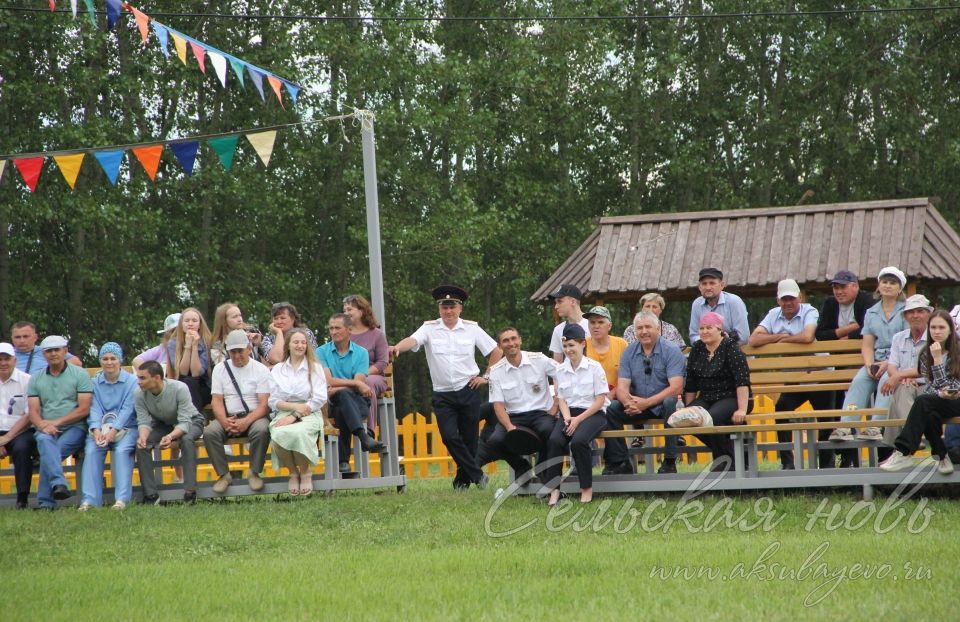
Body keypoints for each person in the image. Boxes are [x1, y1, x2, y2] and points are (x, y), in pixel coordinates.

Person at [391, 285, 500, 489]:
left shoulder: (471, 328)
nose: (448, 311)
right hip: (443, 394)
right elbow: (412, 340)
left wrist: (486, 376)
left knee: (469, 441)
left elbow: (496, 351)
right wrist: (397, 347)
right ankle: (477, 475)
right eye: (444, 307)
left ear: (460, 308)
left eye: (452, 307)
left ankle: (461, 482)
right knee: (449, 436)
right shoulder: (430, 328)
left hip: (469, 390)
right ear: (439, 309)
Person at [748, 279, 824, 470]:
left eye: (791, 298)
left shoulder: (810, 310)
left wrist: (782, 338)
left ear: (799, 297)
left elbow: (808, 336)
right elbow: (754, 339)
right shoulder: (773, 314)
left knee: (827, 419)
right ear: (778, 300)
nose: (788, 302)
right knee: (781, 409)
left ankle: (827, 465)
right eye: (784, 299)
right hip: (794, 379)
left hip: (820, 375)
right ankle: (787, 463)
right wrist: (779, 337)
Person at [830, 267, 907, 445]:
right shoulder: (871, 312)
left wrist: (888, 364)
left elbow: (906, 344)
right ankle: (845, 426)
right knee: (859, 381)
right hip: (877, 360)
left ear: (900, 288)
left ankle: (876, 426)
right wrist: (869, 364)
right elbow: (867, 344)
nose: (887, 286)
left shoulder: (906, 311)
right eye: (884, 282)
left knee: (886, 380)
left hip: (898, 362)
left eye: (892, 283)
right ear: (878, 286)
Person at [602, 311, 685, 475]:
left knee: (670, 402)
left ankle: (669, 461)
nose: (644, 331)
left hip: (662, 404)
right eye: (639, 328)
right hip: (636, 404)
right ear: (635, 331)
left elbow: (676, 387)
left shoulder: (671, 350)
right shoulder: (628, 352)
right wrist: (628, 403)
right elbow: (622, 387)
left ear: (658, 329)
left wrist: (646, 403)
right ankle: (621, 462)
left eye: (648, 327)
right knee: (611, 407)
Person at [880, 310, 960, 475]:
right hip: (942, 400)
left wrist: (937, 360)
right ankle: (942, 455)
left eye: (941, 327)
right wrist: (940, 393)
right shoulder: (925, 353)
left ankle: (904, 451)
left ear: (951, 330)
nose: (937, 332)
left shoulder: (958, 352)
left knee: (923, 401)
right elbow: (935, 387)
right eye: (933, 327)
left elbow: (952, 387)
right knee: (928, 413)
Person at [479, 327, 559, 479]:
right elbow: (498, 406)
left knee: (549, 431)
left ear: (520, 340)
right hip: (514, 416)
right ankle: (522, 466)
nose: (511, 343)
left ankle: (545, 473)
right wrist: (509, 427)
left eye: (514, 338)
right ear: (500, 346)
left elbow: (564, 374)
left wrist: (555, 406)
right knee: (496, 441)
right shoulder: (496, 371)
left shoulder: (539, 359)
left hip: (541, 414)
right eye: (506, 340)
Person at [543, 324, 608, 505]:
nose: (568, 350)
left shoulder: (594, 367)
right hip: (569, 414)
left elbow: (601, 400)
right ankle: (554, 490)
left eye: (572, 345)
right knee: (555, 441)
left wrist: (578, 419)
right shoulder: (560, 370)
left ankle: (586, 488)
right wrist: (567, 418)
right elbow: (561, 398)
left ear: (582, 344)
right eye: (565, 346)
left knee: (579, 442)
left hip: (592, 413)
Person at [27, 335, 93, 509]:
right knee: (43, 441)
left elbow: (84, 409)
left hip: (75, 426)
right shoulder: (36, 378)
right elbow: (33, 411)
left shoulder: (80, 374)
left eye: (57, 349)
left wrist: (56, 423)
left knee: (50, 453)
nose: (53, 354)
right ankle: (59, 485)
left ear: (65, 350)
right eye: (49, 351)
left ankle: (45, 503)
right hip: (46, 428)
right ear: (43, 354)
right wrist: (43, 425)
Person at [206, 329, 273, 494]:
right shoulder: (220, 369)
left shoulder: (260, 369)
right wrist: (224, 421)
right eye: (232, 352)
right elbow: (216, 401)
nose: (236, 356)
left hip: (255, 416)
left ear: (249, 349)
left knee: (262, 429)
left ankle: (254, 472)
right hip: (229, 416)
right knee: (210, 432)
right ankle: (223, 475)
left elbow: (265, 405)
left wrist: (246, 421)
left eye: (240, 351)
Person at [684, 312, 752, 471]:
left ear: (719, 329)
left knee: (711, 418)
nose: (704, 331)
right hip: (707, 397)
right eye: (701, 328)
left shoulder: (731, 348)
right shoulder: (697, 348)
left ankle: (724, 460)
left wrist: (742, 409)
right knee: (689, 418)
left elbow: (742, 381)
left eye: (709, 327)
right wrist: (689, 407)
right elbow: (691, 383)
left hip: (732, 396)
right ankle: (731, 456)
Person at [318, 313, 386, 473]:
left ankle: (343, 460)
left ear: (349, 330)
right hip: (332, 405)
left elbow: (356, 384)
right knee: (343, 399)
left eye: (337, 328)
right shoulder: (321, 351)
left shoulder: (361, 352)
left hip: (359, 404)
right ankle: (363, 437)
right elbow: (329, 381)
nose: (333, 332)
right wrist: (354, 383)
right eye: (331, 328)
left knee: (344, 398)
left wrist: (343, 386)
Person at [135, 361, 205, 504]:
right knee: (142, 445)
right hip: (163, 423)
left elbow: (185, 423)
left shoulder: (179, 388)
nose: (138, 382)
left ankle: (190, 492)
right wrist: (142, 437)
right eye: (138, 378)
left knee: (186, 440)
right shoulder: (139, 394)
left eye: (142, 378)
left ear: (157, 378)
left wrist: (170, 436)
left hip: (192, 421)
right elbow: (143, 422)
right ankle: (151, 495)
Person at [268, 328, 328, 497]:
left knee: (298, 433)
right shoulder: (278, 369)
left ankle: (305, 472)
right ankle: (293, 472)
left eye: (303, 342)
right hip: (285, 411)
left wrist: (296, 415)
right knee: (278, 434)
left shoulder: (314, 368)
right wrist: (292, 409)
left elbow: (319, 398)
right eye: (296, 342)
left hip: (309, 411)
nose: (300, 345)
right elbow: (273, 400)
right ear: (288, 345)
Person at [78, 343, 137, 511]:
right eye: (105, 359)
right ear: (100, 361)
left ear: (120, 360)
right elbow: (94, 407)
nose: (109, 362)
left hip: (127, 428)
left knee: (121, 451)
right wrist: (96, 430)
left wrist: (114, 430)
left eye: (113, 358)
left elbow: (128, 409)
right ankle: (89, 500)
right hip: (101, 429)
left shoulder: (132, 382)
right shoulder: (94, 382)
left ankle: (121, 500)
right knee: (91, 451)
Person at [879, 295, 933, 448]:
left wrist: (899, 376)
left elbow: (929, 368)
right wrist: (900, 378)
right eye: (911, 312)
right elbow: (892, 364)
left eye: (920, 311)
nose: (915, 315)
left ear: (928, 314)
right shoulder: (898, 338)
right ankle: (910, 439)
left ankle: (901, 444)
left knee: (898, 395)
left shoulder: (935, 336)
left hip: (929, 388)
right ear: (905, 316)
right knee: (903, 389)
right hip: (906, 387)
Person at [343, 294, 390, 433]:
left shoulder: (377, 334)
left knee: (366, 383)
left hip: (373, 376)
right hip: (346, 376)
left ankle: (368, 430)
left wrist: (361, 375)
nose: (346, 313)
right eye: (344, 310)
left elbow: (382, 362)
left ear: (362, 311)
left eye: (350, 309)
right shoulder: (343, 334)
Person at [0, 342, 35, 509]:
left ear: (14, 360)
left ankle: (22, 498)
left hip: (21, 430)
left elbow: (30, 414)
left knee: (22, 448)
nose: (3, 363)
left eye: (6, 359)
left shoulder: (27, 380)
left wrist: (7, 437)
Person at [166, 307, 213, 412]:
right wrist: (188, 345)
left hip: (203, 386)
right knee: (187, 382)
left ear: (200, 325)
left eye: (194, 321)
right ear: (181, 324)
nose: (190, 324)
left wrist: (195, 346)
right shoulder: (173, 343)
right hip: (182, 384)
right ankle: (195, 422)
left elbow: (197, 373)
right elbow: (183, 372)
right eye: (186, 321)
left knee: (190, 382)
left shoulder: (207, 342)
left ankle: (192, 422)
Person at [688, 268, 750, 345]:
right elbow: (694, 336)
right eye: (704, 284)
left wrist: (716, 342)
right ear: (699, 287)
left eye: (712, 283)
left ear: (722, 285)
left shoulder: (734, 301)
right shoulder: (697, 304)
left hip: (736, 353)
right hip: (707, 353)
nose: (708, 287)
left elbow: (743, 338)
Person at [814, 270, 873, 342]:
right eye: (836, 288)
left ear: (856, 286)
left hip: (863, 349)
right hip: (837, 351)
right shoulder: (830, 303)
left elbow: (871, 329)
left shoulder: (866, 300)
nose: (839, 292)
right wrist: (850, 328)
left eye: (843, 287)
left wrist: (846, 338)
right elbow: (820, 334)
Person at [583, 305, 628, 396]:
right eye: (592, 322)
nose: (596, 326)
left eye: (600, 322)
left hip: (617, 397)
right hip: (588, 397)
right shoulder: (582, 345)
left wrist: (611, 396)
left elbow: (629, 376)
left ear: (609, 326)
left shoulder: (622, 344)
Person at [11, 321, 82, 373]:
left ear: (35, 337)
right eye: (17, 337)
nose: (22, 340)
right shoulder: (6, 354)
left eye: (26, 336)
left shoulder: (47, 351)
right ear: (12, 338)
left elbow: (76, 362)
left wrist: (52, 372)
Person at [262, 302, 318, 366]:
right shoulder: (268, 338)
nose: (279, 322)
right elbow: (276, 359)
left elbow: (310, 359)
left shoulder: (305, 334)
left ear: (292, 319)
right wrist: (279, 333)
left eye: (282, 318)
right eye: (275, 319)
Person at [547, 284, 589, 362]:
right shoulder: (558, 330)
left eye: (559, 301)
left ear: (572, 301)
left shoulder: (592, 325)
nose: (556, 306)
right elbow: (557, 366)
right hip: (568, 373)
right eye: (555, 302)